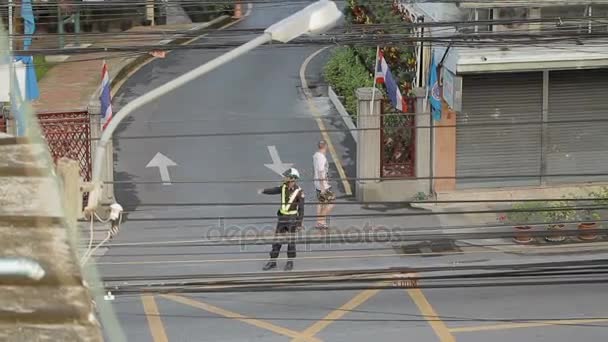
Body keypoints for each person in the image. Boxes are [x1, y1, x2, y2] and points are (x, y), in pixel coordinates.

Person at [258, 168, 305, 271]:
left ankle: (289, 262)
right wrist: (264, 191)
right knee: (277, 240)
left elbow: (301, 209)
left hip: (292, 219)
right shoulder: (283, 187)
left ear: (292, 178)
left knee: (291, 241)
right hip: (282, 218)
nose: (284, 178)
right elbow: (274, 190)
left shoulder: (299, 192)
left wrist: (299, 224)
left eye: (286, 176)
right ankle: (272, 261)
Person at [313, 140, 335, 229]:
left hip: (317, 182)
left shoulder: (315, 155)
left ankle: (319, 221)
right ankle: (321, 221)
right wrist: (323, 187)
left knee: (320, 202)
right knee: (331, 201)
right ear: (325, 146)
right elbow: (321, 171)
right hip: (323, 184)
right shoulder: (322, 157)